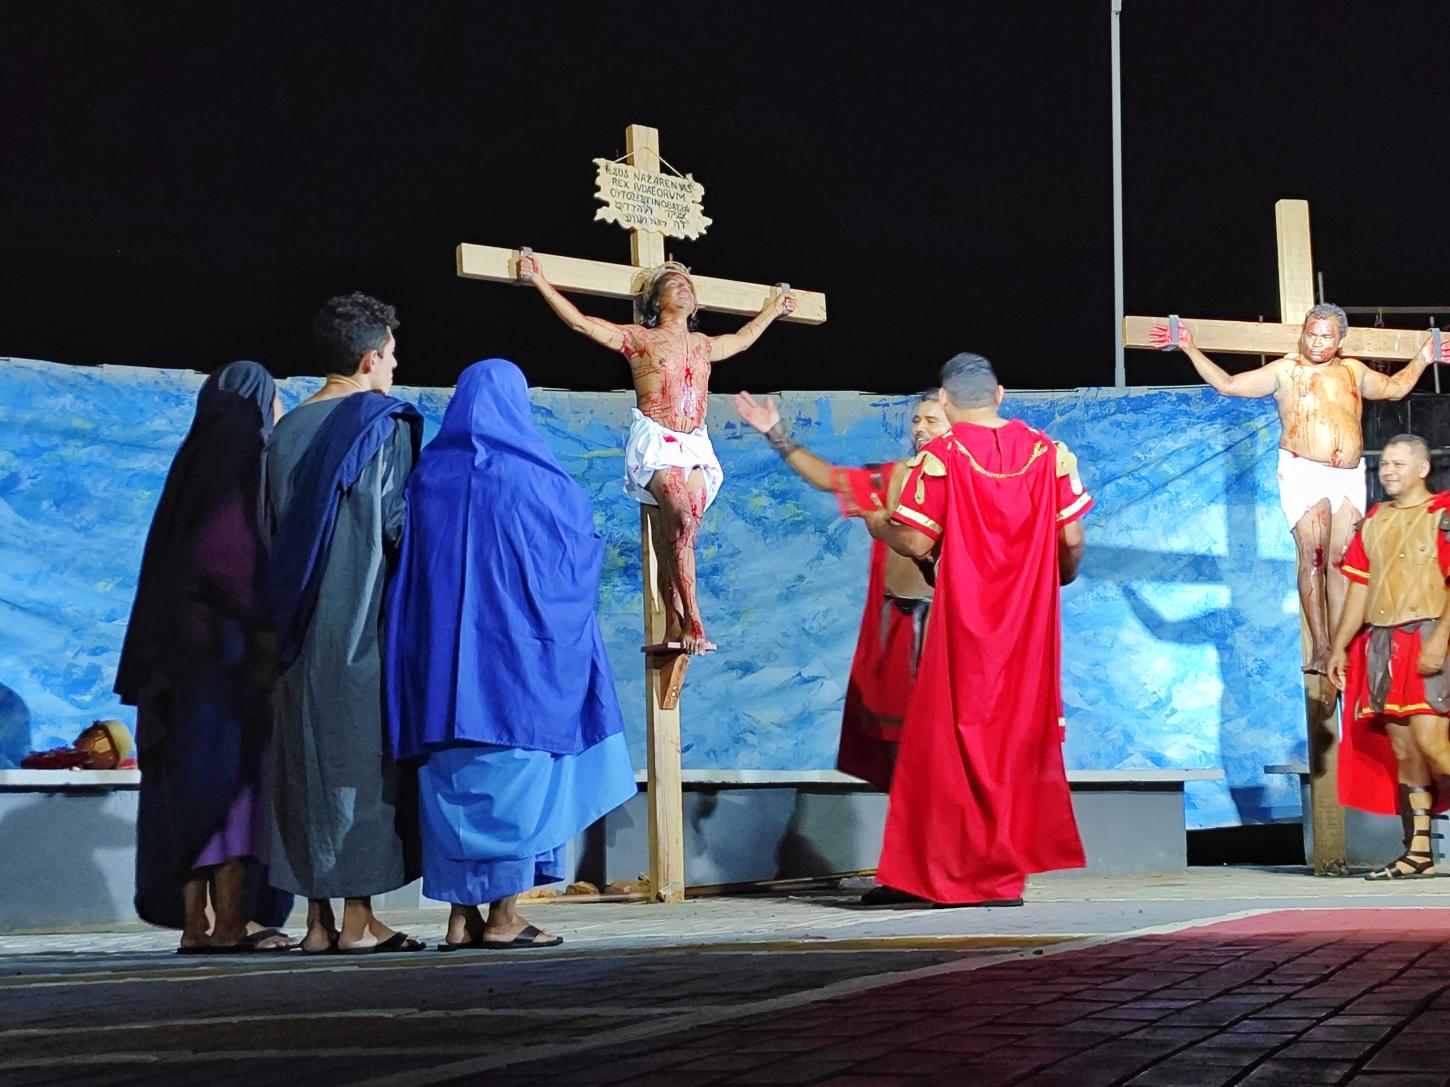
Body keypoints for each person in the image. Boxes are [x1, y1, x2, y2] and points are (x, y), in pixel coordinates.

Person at [385, 358, 637, 950]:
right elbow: (575, 556)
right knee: (517, 781)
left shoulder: (425, 479)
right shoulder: (539, 481)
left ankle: (458, 918)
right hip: (515, 674)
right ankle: (501, 918)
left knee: (452, 788)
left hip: (442, 677)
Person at [861, 352, 1091, 906]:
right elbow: (1074, 540)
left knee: (945, 743)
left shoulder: (940, 457)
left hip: (965, 621)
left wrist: (878, 526)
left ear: (944, 400)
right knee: (1010, 741)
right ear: (1001, 395)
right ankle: (999, 876)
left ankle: (934, 877)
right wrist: (1051, 580)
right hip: (1030, 627)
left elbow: (916, 541)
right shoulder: (1049, 454)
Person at [520, 255, 794, 653]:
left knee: (684, 533)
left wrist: (774, 309)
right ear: (656, 300)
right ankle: (694, 619)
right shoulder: (640, 339)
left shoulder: (703, 345)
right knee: (680, 517)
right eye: (672, 283)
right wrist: (540, 281)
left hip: (694, 444)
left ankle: (677, 619)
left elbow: (746, 337)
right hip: (659, 439)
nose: (684, 287)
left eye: (688, 284)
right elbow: (582, 322)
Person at [262, 294, 424, 954]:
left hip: (289, 628)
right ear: (368, 359)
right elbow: (396, 527)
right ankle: (360, 918)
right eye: (389, 354)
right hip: (360, 623)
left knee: (303, 762)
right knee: (358, 761)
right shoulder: (379, 424)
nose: (394, 365)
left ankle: (316, 921)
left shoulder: (282, 434)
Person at [115, 361, 295, 953]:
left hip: (169, 674)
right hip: (230, 675)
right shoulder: (247, 478)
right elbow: (243, 578)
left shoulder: (187, 473)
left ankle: (196, 926)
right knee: (234, 795)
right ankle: (234, 923)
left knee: (184, 796)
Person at [1154, 306, 1443, 674]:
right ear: (1302, 333)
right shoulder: (1286, 369)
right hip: (1304, 470)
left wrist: (1424, 356)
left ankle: (1341, 648)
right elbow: (1228, 384)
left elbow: (1396, 388)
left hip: (1348, 475)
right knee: (1315, 557)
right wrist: (1189, 348)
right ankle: (1321, 646)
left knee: (1342, 561)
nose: (1317, 343)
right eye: (1311, 334)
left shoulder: (1352, 370)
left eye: (1326, 337)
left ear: (1340, 340)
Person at [732, 389, 951, 790]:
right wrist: (776, 435)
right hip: (899, 626)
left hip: (943, 628)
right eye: (917, 420)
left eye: (932, 420)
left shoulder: (969, 482)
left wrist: (881, 523)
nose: (919, 427)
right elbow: (829, 478)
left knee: (943, 751)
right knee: (899, 757)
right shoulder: (894, 475)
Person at [1328, 434, 1450, 879]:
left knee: (1436, 744)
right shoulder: (1374, 522)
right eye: (1385, 465)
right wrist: (1339, 645)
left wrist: (1439, 642)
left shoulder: (1443, 513)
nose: (1389, 470)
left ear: (1422, 468)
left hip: (1430, 634)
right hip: (1383, 644)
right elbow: (1359, 589)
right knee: (1405, 751)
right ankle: (1418, 852)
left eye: (1399, 463)